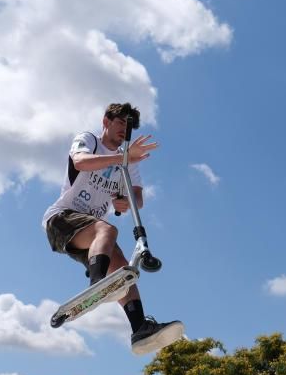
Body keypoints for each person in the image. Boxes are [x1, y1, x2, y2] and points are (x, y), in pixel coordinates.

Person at [42, 102, 183, 355]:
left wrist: (125, 200)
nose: (124, 131)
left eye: (129, 128)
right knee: (107, 230)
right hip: (61, 219)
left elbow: (137, 198)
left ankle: (139, 329)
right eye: (120, 123)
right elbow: (81, 162)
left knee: (123, 273)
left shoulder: (129, 164)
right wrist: (124, 157)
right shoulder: (90, 140)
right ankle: (97, 284)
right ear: (106, 121)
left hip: (93, 235)